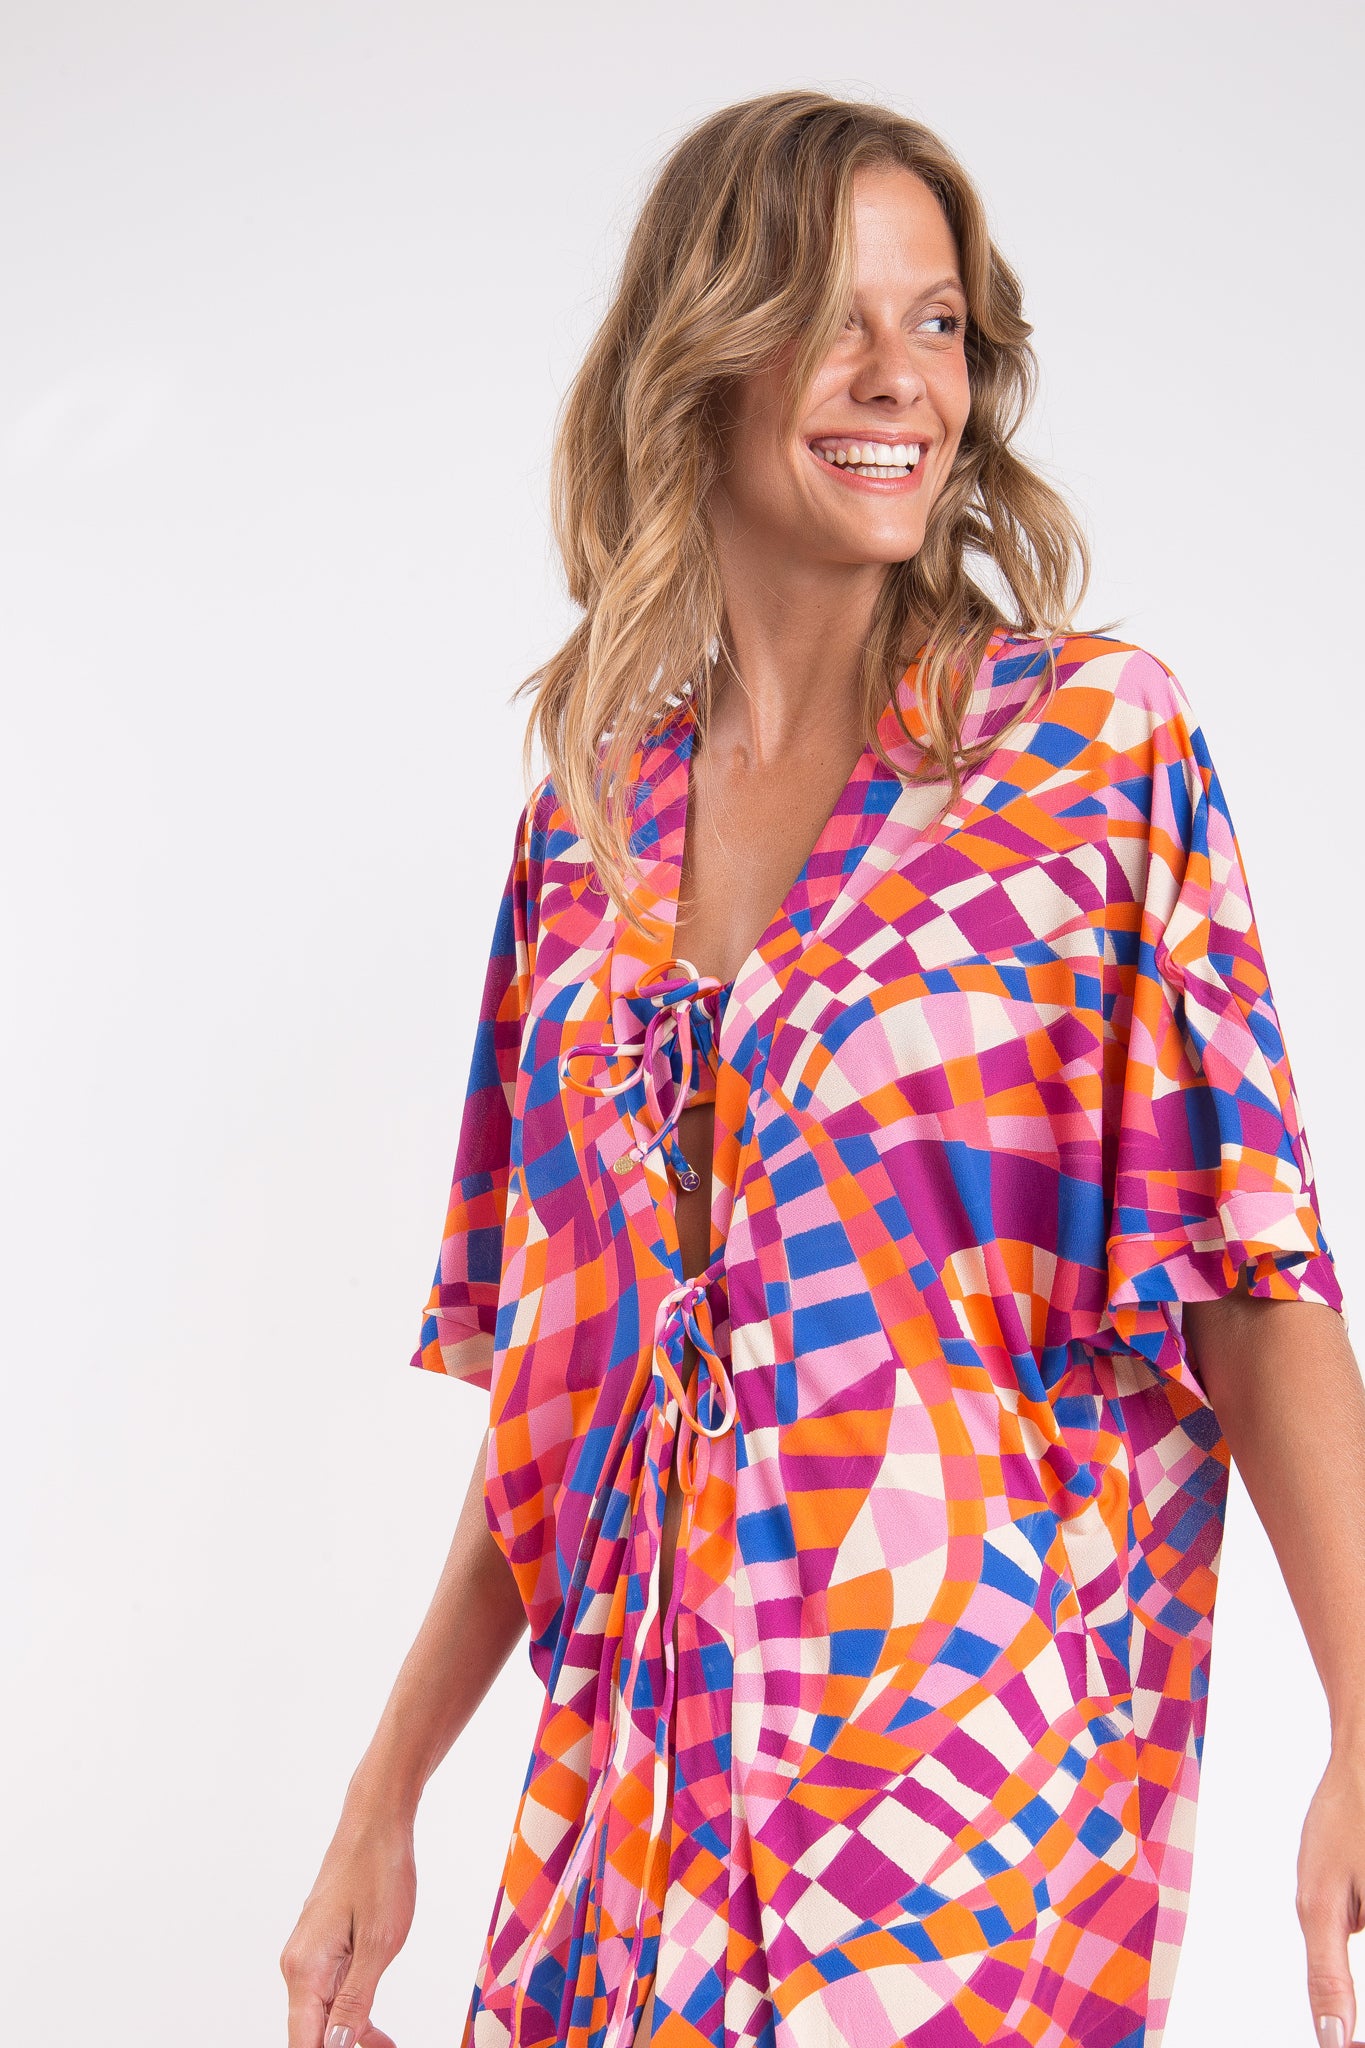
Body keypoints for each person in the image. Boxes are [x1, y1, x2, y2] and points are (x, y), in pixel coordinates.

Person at [280, 89, 1365, 2048]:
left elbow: (1248, 1273)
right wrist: (385, 1791)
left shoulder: (1082, 756)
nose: (899, 380)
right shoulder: (588, 837)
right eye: (829, 317)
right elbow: (570, 1388)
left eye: (934, 323)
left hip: (951, 1816)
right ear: (698, 356)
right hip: (632, 1817)